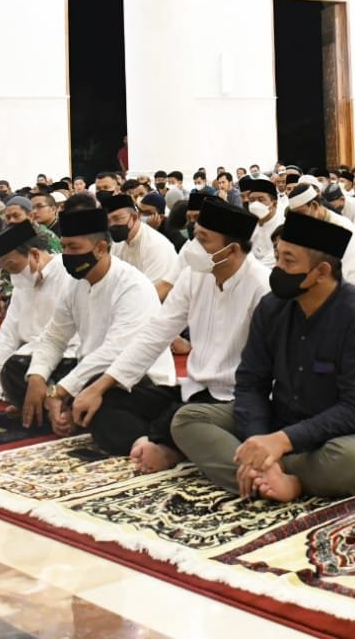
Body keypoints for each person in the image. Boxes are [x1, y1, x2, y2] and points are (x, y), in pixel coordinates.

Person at [171, 212, 355, 502]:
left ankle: (274, 478)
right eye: (278, 256)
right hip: (284, 419)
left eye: (288, 261)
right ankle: (273, 476)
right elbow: (251, 384)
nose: (277, 268)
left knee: (350, 461)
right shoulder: (272, 307)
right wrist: (259, 440)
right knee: (188, 420)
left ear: (321, 272)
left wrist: (281, 442)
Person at [70, 197, 269, 473]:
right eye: (194, 235)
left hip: (232, 400)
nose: (192, 246)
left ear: (232, 249)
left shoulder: (262, 288)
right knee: (106, 400)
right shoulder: (194, 276)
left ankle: (165, 445)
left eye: (203, 239)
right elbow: (156, 334)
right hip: (192, 391)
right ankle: (157, 443)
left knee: (184, 419)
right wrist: (99, 386)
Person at [15, 207, 179, 455]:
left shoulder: (133, 286)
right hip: (88, 372)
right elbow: (54, 337)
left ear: (101, 248)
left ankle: (152, 441)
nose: (67, 255)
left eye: (74, 248)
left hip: (137, 382)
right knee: (16, 369)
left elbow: (115, 352)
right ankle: (67, 412)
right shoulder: (75, 283)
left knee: (101, 403)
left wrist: (59, 390)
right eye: (64, 247)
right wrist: (38, 378)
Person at [0, 222, 66, 399]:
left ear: (34, 254)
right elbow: (8, 336)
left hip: (60, 353)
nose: (13, 275)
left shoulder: (66, 274)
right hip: (25, 355)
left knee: (18, 368)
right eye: (7, 270)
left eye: (13, 267)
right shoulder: (23, 283)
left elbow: (69, 337)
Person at [102, 193, 179, 298]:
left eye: (117, 218)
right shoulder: (117, 243)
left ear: (134, 217)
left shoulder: (156, 245)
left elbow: (154, 293)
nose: (112, 225)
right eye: (108, 221)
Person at [239, 175, 284, 266]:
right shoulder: (248, 224)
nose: (255, 204)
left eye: (261, 200)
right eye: (252, 200)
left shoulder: (283, 225)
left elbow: (275, 257)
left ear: (274, 203)